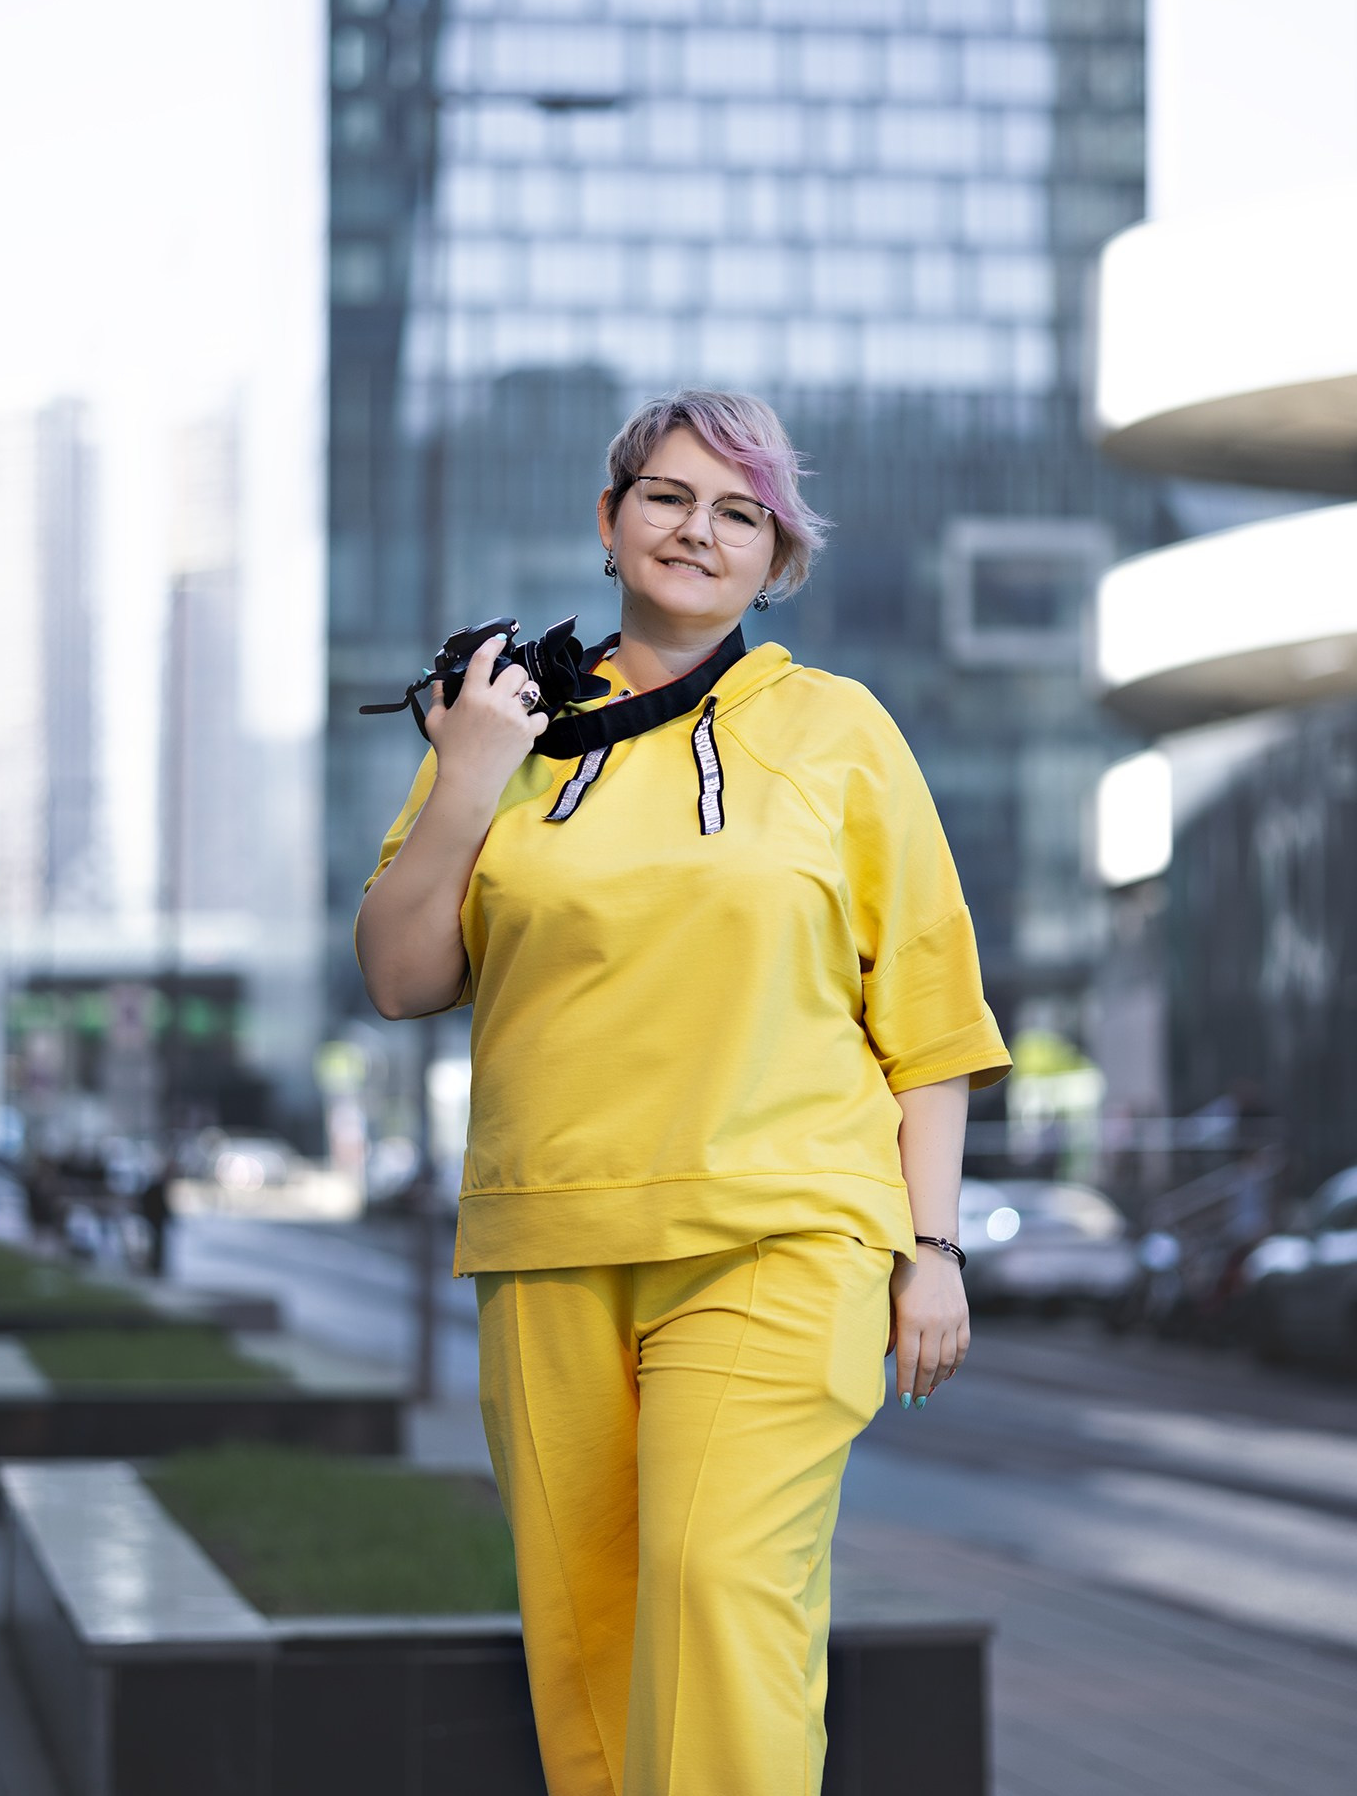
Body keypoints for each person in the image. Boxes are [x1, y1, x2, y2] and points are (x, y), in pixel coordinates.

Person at [357, 390, 1010, 1796]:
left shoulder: (838, 730)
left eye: (738, 511)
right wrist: (468, 774)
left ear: (774, 557)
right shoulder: (503, 728)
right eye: (666, 496)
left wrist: (934, 1247)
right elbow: (405, 976)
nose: (696, 530)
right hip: (550, 1234)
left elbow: (932, 1018)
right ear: (610, 521)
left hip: (783, 1228)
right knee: (590, 1646)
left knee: (719, 1589)